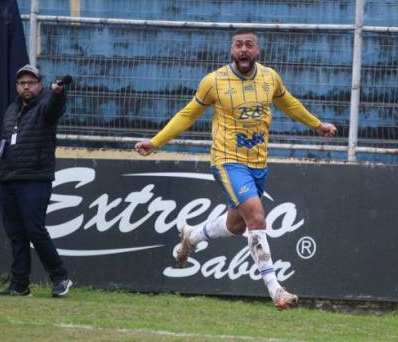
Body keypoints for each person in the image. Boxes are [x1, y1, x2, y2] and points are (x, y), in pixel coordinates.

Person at [135, 28, 337, 310]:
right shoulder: (214, 82)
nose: (244, 50)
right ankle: (275, 290)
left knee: (236, 225)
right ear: (232, 51)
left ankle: (192, 235)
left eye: (249, 45)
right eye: (239, 45)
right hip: (227, 161)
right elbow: (188, 114)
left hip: (258, 164)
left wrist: (316, 124)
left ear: (257, 51)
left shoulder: (270, 78)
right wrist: (156, 142)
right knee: (256, 217)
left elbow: (288, 103)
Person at [0, 64, 73, 297]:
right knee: (16, 234)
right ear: (17, 86)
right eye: (21, 83)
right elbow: (4, 140)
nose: (26, 86)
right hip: (8, 179)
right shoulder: (11, 110)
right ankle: (19, 285)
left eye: (31, 82)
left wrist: (58, 92)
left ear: (39, 85)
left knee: (34, 230)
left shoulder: (46, 105)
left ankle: (60, 277)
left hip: (35, 178)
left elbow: (55, 108)